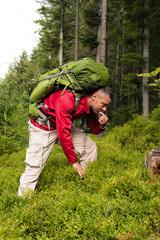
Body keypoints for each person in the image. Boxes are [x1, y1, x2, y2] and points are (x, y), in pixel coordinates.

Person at [18, 86, 111, 196]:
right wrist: (74, 162)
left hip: (62, 125)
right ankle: (23, 200)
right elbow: (63, 134)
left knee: (90, 147)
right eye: (103, 104)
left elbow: (94, 130)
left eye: (106, 106)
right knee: (34, 165)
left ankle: (87, 185)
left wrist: (102, 125)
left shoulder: (90, 106)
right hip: (42, 127)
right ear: (94, 97)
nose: (104, 109)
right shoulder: (67, 99)